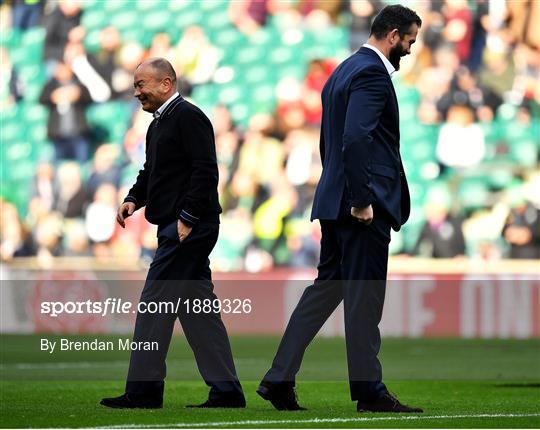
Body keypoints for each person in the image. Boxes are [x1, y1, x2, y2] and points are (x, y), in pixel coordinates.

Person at [257, 5, 423, 413]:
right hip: (359, 206)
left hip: (335, 200)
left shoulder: (341, 71)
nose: (410, 49)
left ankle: (279, 378)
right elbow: (355, 139)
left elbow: (332, 143)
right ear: (392, 33)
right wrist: (361, 199)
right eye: (409, 40)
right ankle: (369, 391)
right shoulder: (371, 74)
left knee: (325, 290)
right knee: (364, 298)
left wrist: (339, 192)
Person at [100, 58, 245, 409]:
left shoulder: (190, 117)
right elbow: (153, 170)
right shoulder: (159, 124)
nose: (136, 93)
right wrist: (134, 198)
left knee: (154, 304)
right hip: (180, 226)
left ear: (166, 84)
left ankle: (144, 391)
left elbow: (206, 171)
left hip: (188, 228)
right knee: (199, 312)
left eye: (141, 85)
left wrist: (188, 218)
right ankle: (227, 391)